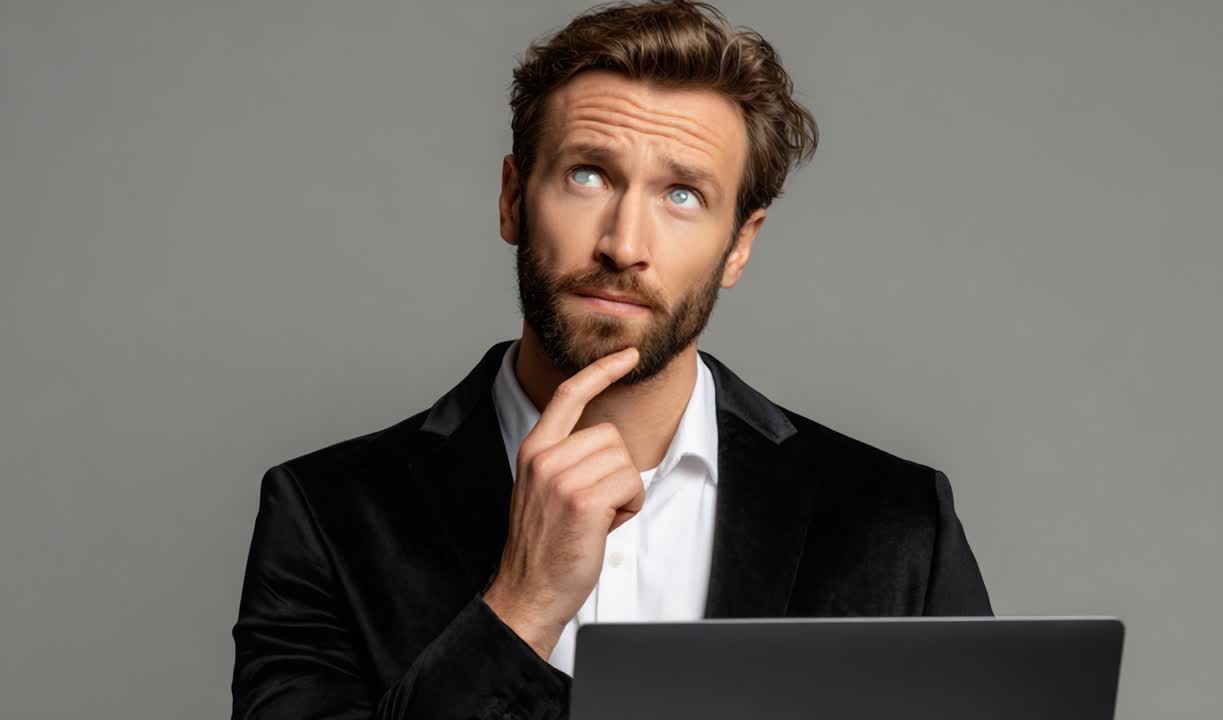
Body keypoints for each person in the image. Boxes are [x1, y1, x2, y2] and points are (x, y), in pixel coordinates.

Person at [230, 1, 992, 718]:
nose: (624, 245)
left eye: (683, 195)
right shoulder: (325, 517)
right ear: (511, 198)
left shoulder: (896, 525)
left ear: (741, 245)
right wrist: (522, 605)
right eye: (587, 175)